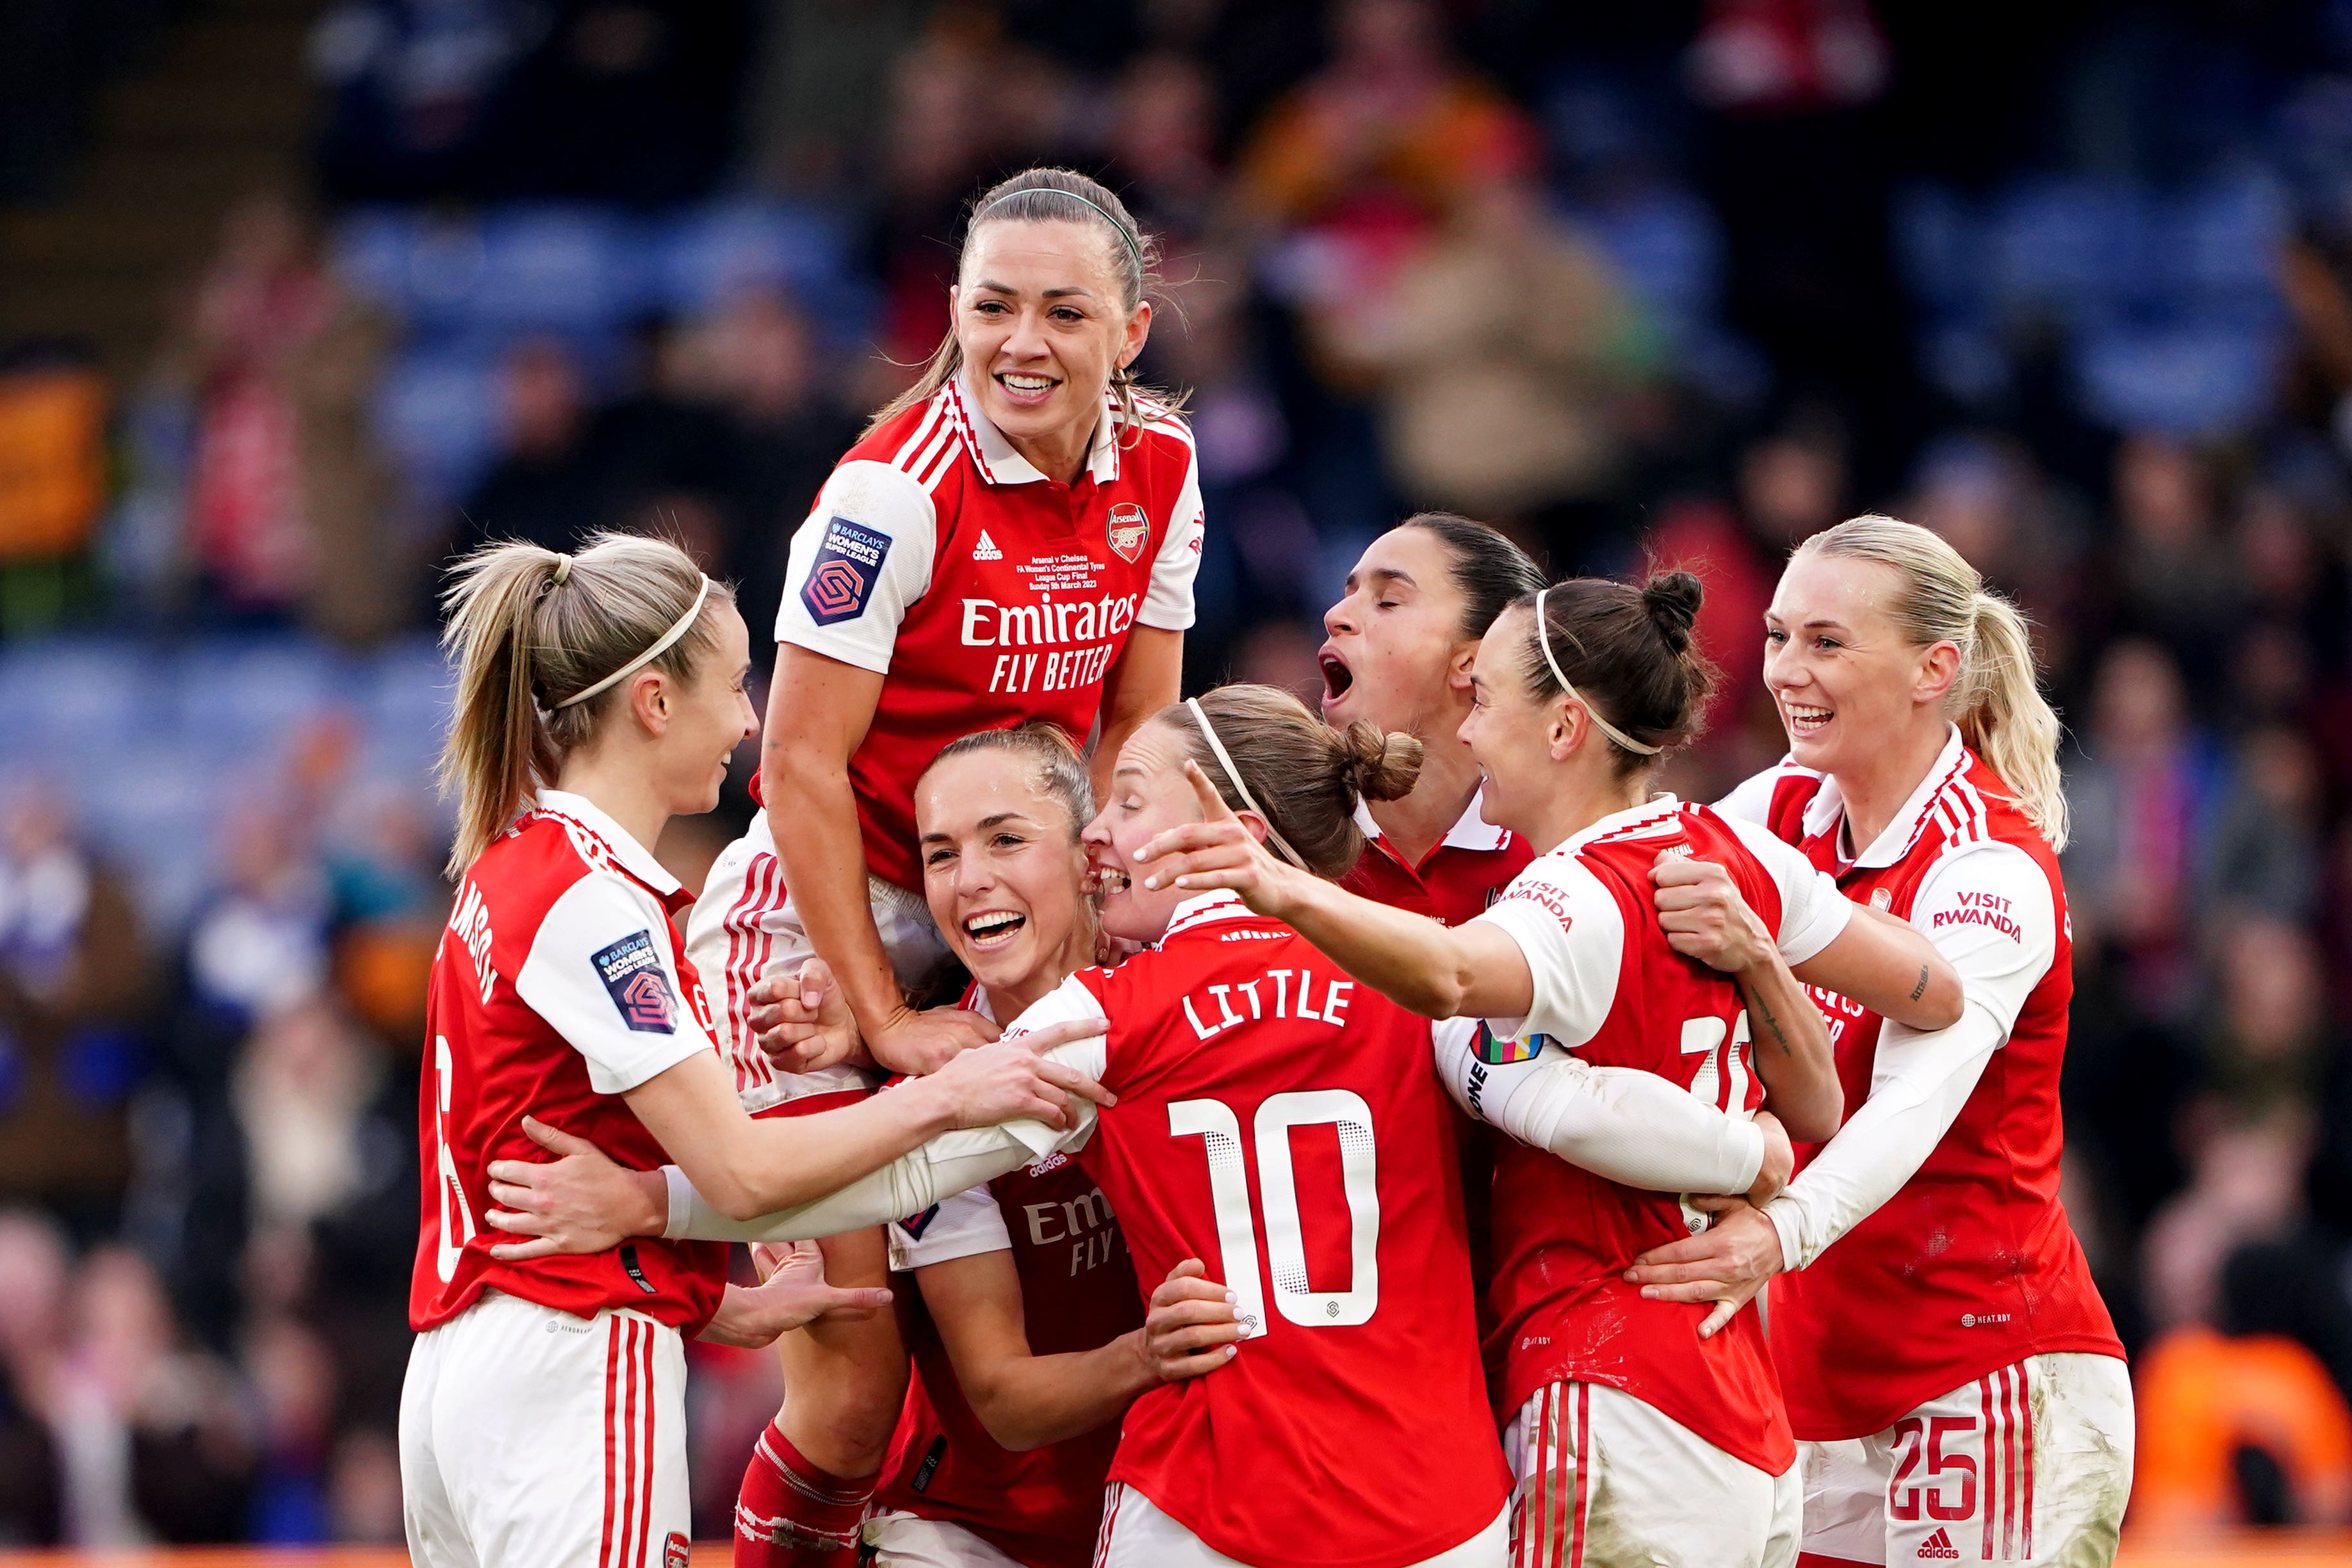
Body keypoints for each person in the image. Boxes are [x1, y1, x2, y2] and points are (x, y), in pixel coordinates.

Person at [496, 684, 1842, 1565]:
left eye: (1126, 805)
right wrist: (1760, 1167)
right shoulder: (1436, 979)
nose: (1101, 842)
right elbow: (1598, 1113)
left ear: (1227, 828)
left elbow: (883, 1163)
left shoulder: (1104, 1021)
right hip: (1439, 1517)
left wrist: (660, 1205)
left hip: (1211, 1510)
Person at [1128, 576, 1963, 1567]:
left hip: (1606, 1384)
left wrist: (1279, 888)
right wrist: (1761, 967)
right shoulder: (1724, 850)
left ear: (1566, 726)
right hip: (1736, 1401)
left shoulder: (1571, 898)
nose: (1470, 736)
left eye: (1483, 703)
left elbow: (1445, 978)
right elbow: (1928, 999)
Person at [399, 533, 1108, 1568]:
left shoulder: (512, 864)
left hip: (459, 1382)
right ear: (652, 703)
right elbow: (743, 1171)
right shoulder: (595, 901)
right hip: (568, 1376)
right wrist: (945, 1094)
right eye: (733, 687)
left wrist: (711, 1298)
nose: (748, 721)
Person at [683, 165, 1203, 1566]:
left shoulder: (1164, 470)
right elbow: (793, 765)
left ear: (1133, 331)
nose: (1021, 342)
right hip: (821, 903)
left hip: (1017, 896)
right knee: (854, 1384)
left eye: (1062, 311)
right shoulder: (886, 496)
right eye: (990, 307)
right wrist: (882, 1010)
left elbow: (1143, 726)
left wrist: (1119, 910)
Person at [1624, 516, 2134, 1568]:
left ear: (1933, 669)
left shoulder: (1988, 869)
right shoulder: (1783, 809)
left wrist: (1771, 1236)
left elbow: (1906, 1112)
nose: (1785, 672)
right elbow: (1612, 894)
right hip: (1817, 1379)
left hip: (1987, 1377)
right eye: (1776, 636)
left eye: (1826, 642)